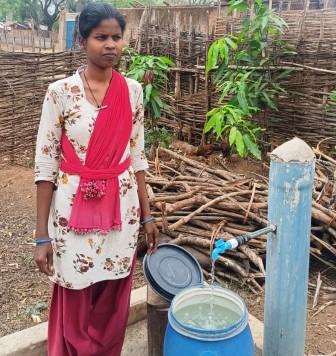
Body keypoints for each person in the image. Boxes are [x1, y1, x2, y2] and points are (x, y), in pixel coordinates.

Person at [34, 3, 159, 355]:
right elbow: (45, 164)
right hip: (71, 211)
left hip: (123, 210)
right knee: (75, 285)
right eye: (101, 37)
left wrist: (147, 216)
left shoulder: (132, 91)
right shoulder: (60, 92)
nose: (111, 45)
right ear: (82, 40)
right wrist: (41, 235)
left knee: (114, 288)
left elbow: (137, 155)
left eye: (117, 37)